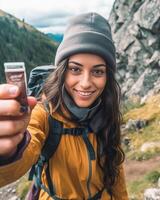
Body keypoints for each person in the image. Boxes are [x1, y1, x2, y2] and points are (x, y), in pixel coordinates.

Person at [0, 12, 129, 200]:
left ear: (107, 76)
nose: (86, 83)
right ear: (62, 72)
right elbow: (16, 164)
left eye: (98, 71)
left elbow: (116, 173)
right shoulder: (43, 113)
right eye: (75, 69)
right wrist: (10, 149)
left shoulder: (107, 112)